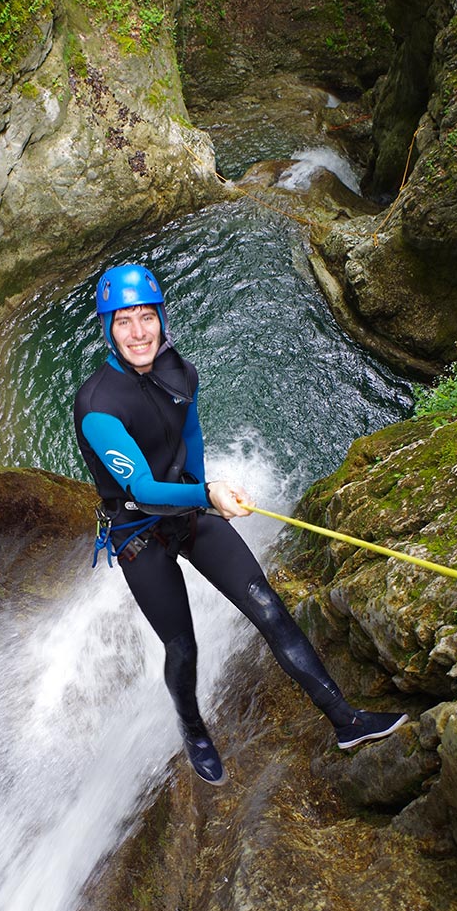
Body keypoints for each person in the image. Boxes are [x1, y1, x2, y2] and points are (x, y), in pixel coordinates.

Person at [73, 263, 407, 785]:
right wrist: (206, 494)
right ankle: (192, 728)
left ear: (161, 318)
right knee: (183, 646)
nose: (138, 333)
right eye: (123, 322)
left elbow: (194, 434)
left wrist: (204, 491)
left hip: (189, 511)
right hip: (139, 535)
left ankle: (347, 721)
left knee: (268, 606)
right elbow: (140, 489)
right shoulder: (97, 405)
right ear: (107, 331)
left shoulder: (181, 372)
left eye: (146, 318)